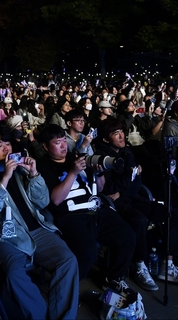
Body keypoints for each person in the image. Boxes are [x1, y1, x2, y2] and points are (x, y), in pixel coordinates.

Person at [0, 125, 79, 320]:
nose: (6, 149)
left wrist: (34, 174)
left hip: (36, 229)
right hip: (6, 237)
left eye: (8, 144)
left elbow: (43, 201)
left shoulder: (22, 169)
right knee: (14, 274)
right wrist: (4, 179)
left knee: (67, 260)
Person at [37, 124, 137, 293]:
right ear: (46, 146)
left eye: (63, 141)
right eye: (57, 142)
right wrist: (72, 173)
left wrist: (98, 173)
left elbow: (100, 188)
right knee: (88, 252)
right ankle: (68, 290)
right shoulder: (43, 166)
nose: (63, 145)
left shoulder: (75, 157)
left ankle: (112, 277)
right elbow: (55, 199)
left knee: (128, 236)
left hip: (95, 208)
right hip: (71, 216)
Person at [95, 118, 178, 288]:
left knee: (172, 215)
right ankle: (139, 264)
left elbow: (136, 183)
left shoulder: (127, 152)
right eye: (115, 133)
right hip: (114, 206)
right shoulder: (101, 158)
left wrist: (123, 188)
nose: (121, 136)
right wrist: (128, 176)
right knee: (138, 220)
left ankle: (168, 264)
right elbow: (108, 189)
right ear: (106, 139)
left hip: (132, 198)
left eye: (121, 131)